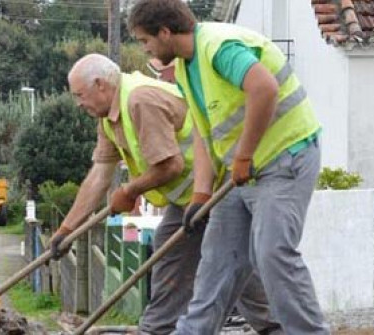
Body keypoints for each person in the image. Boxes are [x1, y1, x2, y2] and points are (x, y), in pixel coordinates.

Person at [128, 0, 330, 334]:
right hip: (243, 175)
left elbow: (264, 88)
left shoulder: (217, 47)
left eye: (144, 40)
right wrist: (201, 194)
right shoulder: (184, 68)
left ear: (164, 32)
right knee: (217, 261)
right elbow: (205, 134)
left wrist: (243, 156)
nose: (145, 49)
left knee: (272, 254)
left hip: (285, 159)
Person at [50, 53, 282, 335]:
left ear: (100, 84)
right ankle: (276, 325)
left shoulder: (140, 100)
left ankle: (158, 329)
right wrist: (67, 228)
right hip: (189, 199)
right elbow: (99, 176)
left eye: (80, 95)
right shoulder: (108, 118)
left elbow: (172, 165)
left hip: (216, 189)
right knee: (221, 259)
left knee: (216, 258)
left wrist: (130, 190)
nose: (79, 103)